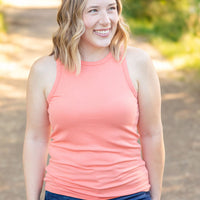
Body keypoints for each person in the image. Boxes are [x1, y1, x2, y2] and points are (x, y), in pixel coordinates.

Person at [23, 0, 165, 199]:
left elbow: (152, 133)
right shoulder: (44, 70)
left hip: (131, 192)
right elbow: (36, 139)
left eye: (111, 8)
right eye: (93, 11)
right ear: (72, 15)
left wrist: (156, 195)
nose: (106, 20)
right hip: (65, 194)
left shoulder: (138, 63)